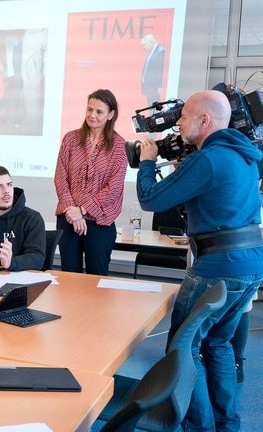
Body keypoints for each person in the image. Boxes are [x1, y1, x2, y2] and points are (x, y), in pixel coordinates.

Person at [137, 90, 263, 431]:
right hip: (250, 264)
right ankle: (227, 425)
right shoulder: (245, 155)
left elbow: (150, 198)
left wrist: (148, 159)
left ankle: (200, 427)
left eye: (183, 118)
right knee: (218, 342)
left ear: (204, 120)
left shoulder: (208, 159)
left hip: (217, 265)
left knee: (183, 347)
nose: (177, 124)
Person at [54, 88, 127, 275]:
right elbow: (61, 176)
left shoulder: (119, 146)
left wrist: (82, 210)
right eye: (89, 109)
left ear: (111, 115)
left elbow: (114, 188)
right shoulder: (70, 139)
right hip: (68, 219)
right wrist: (72, 210)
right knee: (69, 278)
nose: (92, 115)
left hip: (99, 222)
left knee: (97, 280)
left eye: (99, 111)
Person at [141, 34, 166, 105]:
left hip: (155, 88)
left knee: (156, 109)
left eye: (145, 45)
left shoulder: (161, 51)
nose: (144, 48)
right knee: (151, 108)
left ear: (151, 42)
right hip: (150, 87)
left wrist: (160, 86)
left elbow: (161, 70)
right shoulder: (151, 52)